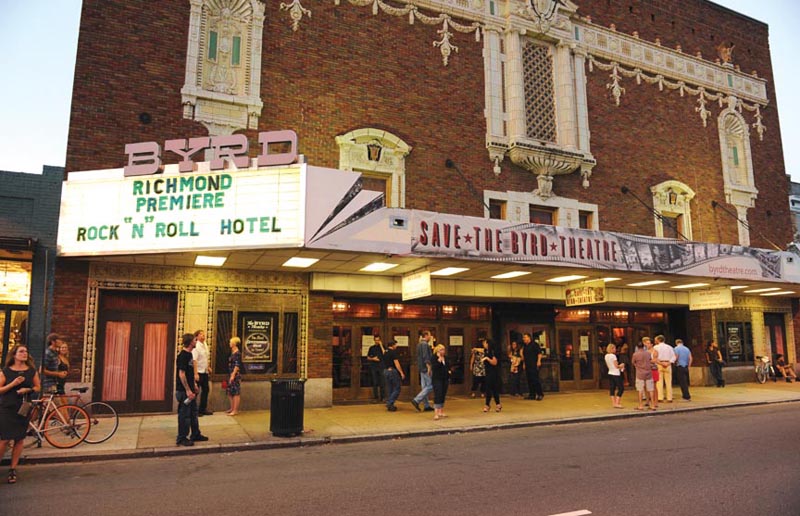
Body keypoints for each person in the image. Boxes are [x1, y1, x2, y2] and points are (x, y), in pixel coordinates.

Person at [0, 345, 41, 483]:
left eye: (26, 352)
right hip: (8, 408)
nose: (24, 354)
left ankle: (13, 468)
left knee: (19, 438)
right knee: (4, 439)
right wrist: (13, 384)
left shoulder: (31, 371)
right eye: (21, 351)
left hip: (24, 408)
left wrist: (27, 389)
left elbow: (37, 387)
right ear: (14, 355)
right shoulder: (6, 371)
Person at [175, 333, 208, 446]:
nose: (196, 342)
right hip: (183, 391)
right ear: (190, 342)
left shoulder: (189, 355)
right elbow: (182, 374)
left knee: (193, 412)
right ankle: (182, 437)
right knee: (185, 415)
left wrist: (194, 384)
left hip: (190, 389)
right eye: (195, 340)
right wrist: (188, 390)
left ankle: (195, 434)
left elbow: (189, 374)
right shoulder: (183, 356)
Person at [411, 331, 434, 412]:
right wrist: (429, 367)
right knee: (431, 385)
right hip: (425, 368)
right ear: (426, 335)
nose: (431, 337)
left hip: (421, 368)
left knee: (424, 387)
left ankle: (426, 405)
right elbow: (426, 356)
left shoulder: (419, 344)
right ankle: (417, 400)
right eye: (430, 335)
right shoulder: (425, 344)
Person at [192, 330, 213, 416]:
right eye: (201, 334)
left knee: (206, 390)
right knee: (196, 391)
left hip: (205, 371)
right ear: (196, 336)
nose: (203, 336)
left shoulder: (205, 345)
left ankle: (202, 409)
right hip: (199, 372)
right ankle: (194, 411)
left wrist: (208, 367)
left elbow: (205, 358)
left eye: (204, 334)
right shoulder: (196, 346)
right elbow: (195, 360)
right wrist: (195, 373)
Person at [632, 340, 656, 411]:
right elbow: (650, 360)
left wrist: (637, 366)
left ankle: (640, 405)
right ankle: (653, 405)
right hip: (648, 373)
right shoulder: (648, 353)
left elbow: (633, 362)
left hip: (640, 373)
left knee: (640, 390)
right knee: (651, 389)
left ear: (637, 347)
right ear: (644, 346)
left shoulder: (635, 354)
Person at [382, 339, 405, 412]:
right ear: (392, 345)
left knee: (390, 388)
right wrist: (401, 372)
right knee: (397, 388)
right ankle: (390, 402)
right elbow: (396, 363)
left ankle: (390, 404)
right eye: (395, 344)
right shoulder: (393, 353)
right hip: (392, 371)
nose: (396, 346)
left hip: (386, 371)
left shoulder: (385, 352)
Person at [653, 335, 676, 403]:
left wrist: (660, 363)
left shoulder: (655, 347)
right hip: (668, 364)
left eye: (656, 340)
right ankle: (669, 397)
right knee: (668, 382)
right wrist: (669, 363)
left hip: (659, 364)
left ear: (658, 340)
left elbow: (654, 357)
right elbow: (673, 356)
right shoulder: (669, 347)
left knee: (659, 382)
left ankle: (660, 397)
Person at [482, 338, 502, 412]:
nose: (483, 344)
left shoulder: (492, 352)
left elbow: (494, 362)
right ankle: (489, 404)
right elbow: (481, 350)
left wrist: (487, 358)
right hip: (488, 372)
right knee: (489, 388)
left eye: (484, 343)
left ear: (488, 344)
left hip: (494, 372)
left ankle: (496, 404)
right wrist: (475, 349)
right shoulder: (486, 351)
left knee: (493, 389)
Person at [522, 332, 543, 401]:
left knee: (535, 379)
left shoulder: (534, 344)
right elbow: (524, 356)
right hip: (528, 365)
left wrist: (539, 361)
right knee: (529, 380)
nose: (524, 339)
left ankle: (540, 394)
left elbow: (539, 353)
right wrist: (524, 364)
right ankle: (532, 394)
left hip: (534, 364)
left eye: (525, 337)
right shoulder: (525, 346)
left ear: (529, 337)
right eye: (523, 338)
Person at [431, 344, 450, 420]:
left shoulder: (446, 358)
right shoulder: (434, 358)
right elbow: (434, 367)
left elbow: (447, 366)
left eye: (443, 350)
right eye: (441, 350)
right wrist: (439, 360)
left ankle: (441, 411)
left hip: (445, 378)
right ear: (437, 350)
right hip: (437, 378)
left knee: (443, 394)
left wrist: (449, 372)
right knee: (438, 394)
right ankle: (436, 412)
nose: (443, 351)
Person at [366, 335, 386, 403]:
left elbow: (385, 354)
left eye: (378, 340)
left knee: (382, 382)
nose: (377, 341)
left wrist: (381, 345)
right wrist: (373, 359)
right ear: (374, 340)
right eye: (376, 340)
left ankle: (383, 397)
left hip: (382, 366)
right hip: (374, 367)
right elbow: (368, 357)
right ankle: (376, 397)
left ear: (380, 340)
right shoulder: (372, 348)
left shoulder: (383, 347)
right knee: (375, 382)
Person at [226, 336, 242, 416]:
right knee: (230, 391)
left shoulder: (237, 353)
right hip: (230, 373)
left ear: (234, 343)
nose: (229, 343)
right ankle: (232, 408)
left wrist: (233, 375)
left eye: (230, 342)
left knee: (236, 392)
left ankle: (235, 410)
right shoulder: (232, 352)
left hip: (234, 374)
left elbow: (237, 365)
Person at [605, 343, 624, 408]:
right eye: (614, 348)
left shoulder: (606, 356)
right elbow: (616, 366)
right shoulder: (613, 356)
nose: (615, 350)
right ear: (612, 349)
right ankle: (617, 402)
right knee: (621, 388)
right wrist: (621, 366)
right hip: (616, 373)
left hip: (610, 372)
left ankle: (613, 403)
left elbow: (608, 366)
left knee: (612, 388)